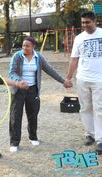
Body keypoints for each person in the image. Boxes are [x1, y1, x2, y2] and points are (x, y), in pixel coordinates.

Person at [9, 36, 72, 152]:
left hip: (33, 90)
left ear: (33, 47)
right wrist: (19, 81)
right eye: (23, 45)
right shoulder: (17, 56)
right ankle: (14, 142)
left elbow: (50, 70)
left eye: (27, 46)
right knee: (15, 115)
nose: (24, 48)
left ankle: (33, 137)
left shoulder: (38, 58)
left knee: (33, 114)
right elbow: (12, 72)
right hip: (18, 89)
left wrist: (63, 81)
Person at [66, 11, 102, 154]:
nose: (85, 25)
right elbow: (74, 58)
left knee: (99, 109)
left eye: (87, 22)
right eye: (83, 23)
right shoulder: (79, 38)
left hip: (100, 79)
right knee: (85, 107)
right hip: (83, 78)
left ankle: (100, 140)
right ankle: (90, 134)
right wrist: (68, 77)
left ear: (95, 22)